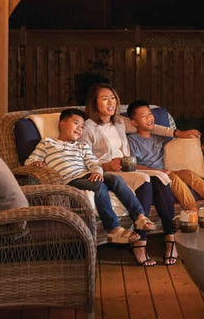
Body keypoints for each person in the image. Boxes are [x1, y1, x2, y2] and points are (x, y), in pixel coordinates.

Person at [80, 84, 188, 265]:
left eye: (113, 98)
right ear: (94, 102)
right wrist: (105, 164)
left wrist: (175, 132)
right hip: (107, 170)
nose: (111, 102)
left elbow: (150, 126)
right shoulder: (89, 127)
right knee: (145, 178)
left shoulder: (120, 122)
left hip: (128, 168)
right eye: (104, 98)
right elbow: (84, 156)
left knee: (161, 178)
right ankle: (141, 242)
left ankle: (170, 239)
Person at [25, 108, 156, 252]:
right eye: (76, 123)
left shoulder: (82, 146)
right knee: (99, 187)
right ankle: (113, 229)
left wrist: (97, 171)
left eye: (82, 127)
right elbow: (30, 160)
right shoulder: (47, 143)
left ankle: (139, 217)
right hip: (69, 180)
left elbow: (94, 163)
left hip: (87, 174)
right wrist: (35, 163)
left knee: (115, 179)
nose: (79, 129)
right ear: (62, 124)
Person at [126, 99, 204, 220]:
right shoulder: (132, 141)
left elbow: (176, 148)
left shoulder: (158, 136)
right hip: (150, 177)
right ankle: (193, 211)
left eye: (150, 114)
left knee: (188, 174)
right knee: (174, 178)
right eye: (143, 116)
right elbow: (132, 165)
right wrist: (157, 172)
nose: (149, 118)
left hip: (165, 172)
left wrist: (203, 148)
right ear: (134, 122)